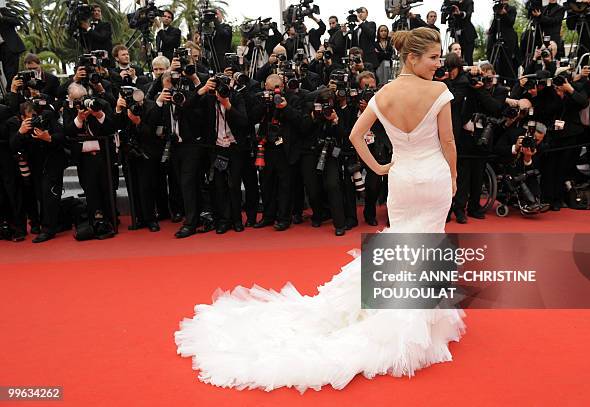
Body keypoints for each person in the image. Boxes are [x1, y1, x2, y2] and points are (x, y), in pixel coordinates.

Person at [175, 27, 465, 392]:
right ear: (412, 57)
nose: (439, 65)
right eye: (434, 58)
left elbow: (356, 136)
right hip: (434, 176)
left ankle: (395, 310)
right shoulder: (439, 92)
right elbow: (448, 140)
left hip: (403, 179)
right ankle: (415, 323)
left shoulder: (383, 94)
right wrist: (453, 177)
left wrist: (378, 168)